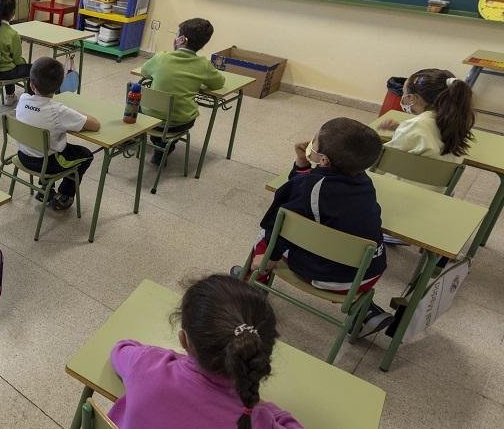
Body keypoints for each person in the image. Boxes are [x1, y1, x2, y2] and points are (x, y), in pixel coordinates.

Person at [239, 118, 392, 338]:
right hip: (365, 277)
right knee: (329, 235)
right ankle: (365, 310)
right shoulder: (364, 181)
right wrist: (303, 163)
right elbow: (306, 193)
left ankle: (253, 287)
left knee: (267, 232)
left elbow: (283, 218)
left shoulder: (310, 187)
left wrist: (270, 256)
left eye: (315, 141)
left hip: (326, 278)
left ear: (324, 160)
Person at [109, 274, 302, 429]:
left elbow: (120, 349)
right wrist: (266, 408)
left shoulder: (147, 365)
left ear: (183, 340)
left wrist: (171, 359)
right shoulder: (257, 420)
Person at [14, 57, 100, 210]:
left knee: (49, 145)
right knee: (86, 155)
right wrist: (74, 113)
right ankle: (64, 195)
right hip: (47, 164)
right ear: (59, 86)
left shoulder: (23, 99)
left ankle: (45, 189)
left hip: (23, 155)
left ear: (31, 84)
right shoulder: (58, 111)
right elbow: (95, 125)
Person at [139, 18, 226, 165]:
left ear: (181, 39)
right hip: (178, 123)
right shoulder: (203, 65)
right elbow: (219, 83)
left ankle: (138, 138)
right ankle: (164, 147)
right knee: (178, 114)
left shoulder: (161, 57)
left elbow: (144, 72)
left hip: (148, 118)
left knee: (136, 93)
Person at [378, 68, 475, 190]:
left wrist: (404, 129)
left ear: (412, 98)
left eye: (404, 94)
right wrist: (400, 128)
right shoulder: (457, 123)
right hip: (436, 193)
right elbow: (429, 136)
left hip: (400, 189)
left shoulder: (414, 126)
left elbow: (382, 162)